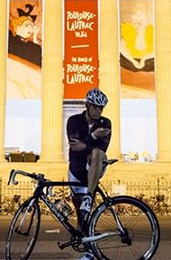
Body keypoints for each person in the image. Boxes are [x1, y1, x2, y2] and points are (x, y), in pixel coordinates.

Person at [66, 88, 112, 244]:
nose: (99, 111)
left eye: (101, 108)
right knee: (80, 215)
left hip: (94, 165)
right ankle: (84, 244)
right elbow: (74, 146)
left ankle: (89, 196)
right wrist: (93, 137)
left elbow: (101, 149)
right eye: (96, 107)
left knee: (98, 154)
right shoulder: (73, 121)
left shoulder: (105, 123)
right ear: (87, 106)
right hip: (77, 166)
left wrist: (85, 144)